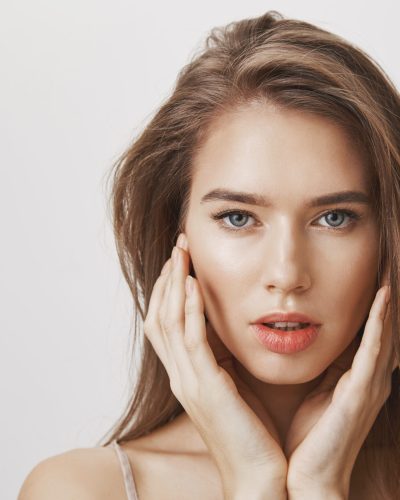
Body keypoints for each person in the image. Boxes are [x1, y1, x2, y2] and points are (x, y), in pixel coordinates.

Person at [18, 9, 400, 500]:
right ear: (178, 236)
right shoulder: (80, 490)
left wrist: (321, 486)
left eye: (335, 218)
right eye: (238, 218)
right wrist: (252, 482)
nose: (287, 275)